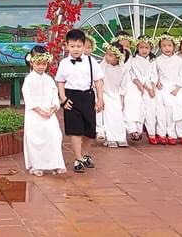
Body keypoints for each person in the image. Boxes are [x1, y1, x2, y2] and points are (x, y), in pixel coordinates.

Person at [56, 29, 104, 171]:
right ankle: (78, 159)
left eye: (78, 46)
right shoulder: (64, 63)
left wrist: (100, 99)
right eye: (72, 46)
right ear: (67, 46)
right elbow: (60, 82)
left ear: (84, 46)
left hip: (88, 96)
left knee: (89, 129)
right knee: (75, 130)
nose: (75, 49)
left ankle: (85, 155)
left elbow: (98, 81)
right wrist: (63, 99)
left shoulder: (91, 61)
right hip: (71, 98)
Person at [22, 45, 66, 175]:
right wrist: (40, 111)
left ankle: (55, 164)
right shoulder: (28, 79)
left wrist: (53, 108)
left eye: (44, 64)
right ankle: (37, 166)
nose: (41, 67)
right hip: (34, 114)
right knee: (35, 139)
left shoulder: (49, 79)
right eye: (38, 64)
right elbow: (28, 97)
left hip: (49, 113)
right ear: (32, 62)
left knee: (54, 136)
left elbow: (54, 94)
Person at [124, 37, 159, 143]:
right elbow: (134, 75)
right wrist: (145, 87)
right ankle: (136, 130)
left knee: (151, 109)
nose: (144, 50)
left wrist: (153, 87)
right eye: (141, 47)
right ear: (137, 48)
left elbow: (154, 74)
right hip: (139, 86)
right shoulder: (134, 60)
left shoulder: (152, 60)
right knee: (138, 107)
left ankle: (152, 133)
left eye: (147, 48)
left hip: (151, 87)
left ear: (151, 48)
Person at [153, 34, 182, 145]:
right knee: (166, 108)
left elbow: (181, 75)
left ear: (174, 46)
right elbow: (155, 73)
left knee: (180, 106)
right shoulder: (158, 60)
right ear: (160, 47)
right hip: (163, 88)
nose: (167, 48)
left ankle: (179, 132)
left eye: (169, 45)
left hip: (176, 88)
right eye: (164, 46)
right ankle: (163, 133)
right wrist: (157, 81)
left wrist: (177, 88)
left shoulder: (178, 60)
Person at [97, 43, 129, 148]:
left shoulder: (123, 69)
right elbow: (98, 81)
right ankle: (110, 137)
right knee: (108, 114)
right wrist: (100, 97)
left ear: (118, 57)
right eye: (106, 54)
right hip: (104, 93)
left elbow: (123, 85)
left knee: (118, 115)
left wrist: (122, 99)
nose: (107, 57)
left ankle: (120, 137)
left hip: (116, 94)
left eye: (110, 55)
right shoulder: (103, 67)